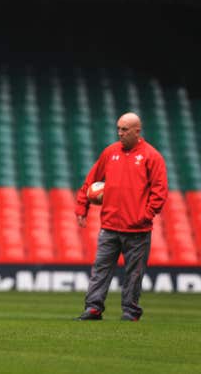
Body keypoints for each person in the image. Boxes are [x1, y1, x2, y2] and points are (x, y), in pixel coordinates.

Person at [74, 112, 168, 322]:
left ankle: (130, 312)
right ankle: (93, 308)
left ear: (137, 131)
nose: (120, 133)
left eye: (125, 129)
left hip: (137, 229)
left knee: (134, 274)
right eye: (118, 129)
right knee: (100, 269)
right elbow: (91, 180)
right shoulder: (110, 152)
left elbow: (160, 190)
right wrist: (82, 207)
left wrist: (146, 215)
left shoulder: (151, 156)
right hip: (110, 225)